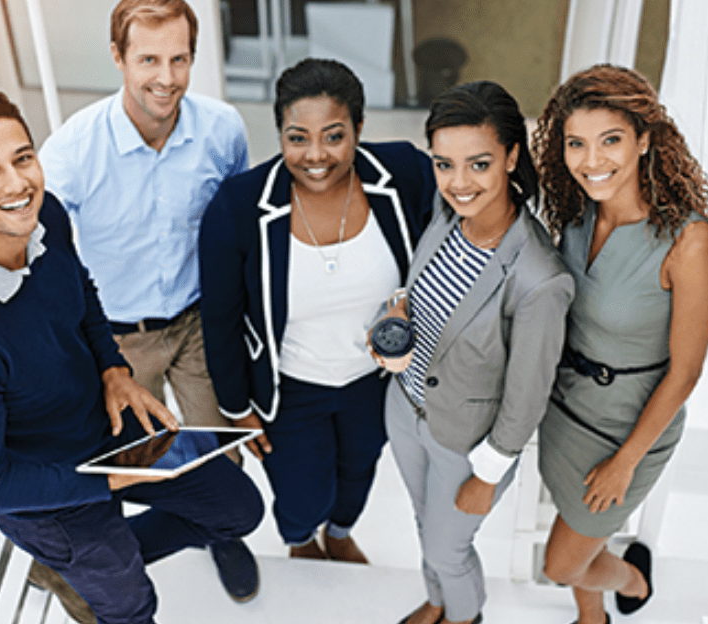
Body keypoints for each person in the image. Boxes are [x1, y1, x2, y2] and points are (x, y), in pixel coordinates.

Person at [0, 86, 263, 624]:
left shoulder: (43, 213)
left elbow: (82, 290)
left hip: (106, 427)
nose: (17, 184)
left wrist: (113, 368)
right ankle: (93, 565)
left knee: (238, 509)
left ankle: (85, 565)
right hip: (46, 496)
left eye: (23, 158)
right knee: (132, 605)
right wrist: (103, 485)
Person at [37, 0, 258, 603]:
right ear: (118, 58)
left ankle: (222, 532)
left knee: (219, 447)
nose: (167, 77)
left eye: (180, 58)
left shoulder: (222, 129)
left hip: (198, 323)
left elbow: (237, 227)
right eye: (149, 60)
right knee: (141, 461)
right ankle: (111, 561)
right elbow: (40, 252)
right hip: (119, 338)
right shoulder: (74, 150)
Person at [199, 58, 435, 562]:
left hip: (372, 382)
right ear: (280, 133)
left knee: (359, 473)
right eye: (297, 137)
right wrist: (238, 408)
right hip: (290, 388)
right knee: (303, 492)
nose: (315, 155)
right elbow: (219, 318)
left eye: (333, 136)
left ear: (359, 129)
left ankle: (341, 532)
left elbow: (450, 242)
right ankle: (302, 539)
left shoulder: (405, 174)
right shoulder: (239, 207)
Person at [532, 64, 708, 624]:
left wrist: (625, 462)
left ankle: (633, 579)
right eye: (576, 144)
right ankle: (594, 618)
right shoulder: (574, 213)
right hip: (565, 410)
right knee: (577, 531)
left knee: (562, 564)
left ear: (644, 140)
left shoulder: (689, 242)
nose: (592, 161)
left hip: (628, 429)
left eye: (610, 141)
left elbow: (686, 374)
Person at [382, 82, 575, 624]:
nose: (459, 183)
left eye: (479, 164)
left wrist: (487, 476)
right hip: (406, 407)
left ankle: (464, 617)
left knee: (449, 546)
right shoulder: (445, 219)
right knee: (425, 523)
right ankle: (438, 601)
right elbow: (417, 291)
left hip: (466, 446)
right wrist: (396, 311)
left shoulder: (540, 279)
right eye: (445, 164)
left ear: (512, 157)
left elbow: (527, 394)